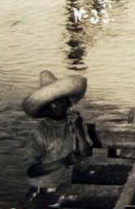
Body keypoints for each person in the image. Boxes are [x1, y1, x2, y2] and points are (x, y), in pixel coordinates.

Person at [22, 70, 92, 203]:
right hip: (46, 189)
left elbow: (86, 153)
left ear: (68, 103)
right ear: (47, 107)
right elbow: (31, 170)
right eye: (54, 102)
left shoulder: (75, 122)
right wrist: (64, 162)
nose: (59, 105)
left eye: (62, 101)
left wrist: (78, 129)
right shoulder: (40, 132)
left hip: (70, 186)